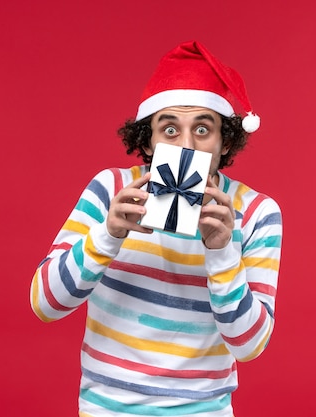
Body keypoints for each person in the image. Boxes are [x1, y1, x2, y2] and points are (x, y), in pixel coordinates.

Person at [30, 40, 283, 417]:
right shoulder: (111, 190)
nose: (185, 145)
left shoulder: (257, 212)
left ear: (224, 139)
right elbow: (45, 304)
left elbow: (250, 346)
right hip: (105, 410)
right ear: (147, 140)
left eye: (202, 129)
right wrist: (108, 235)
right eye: (169, 129)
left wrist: (222, 252)